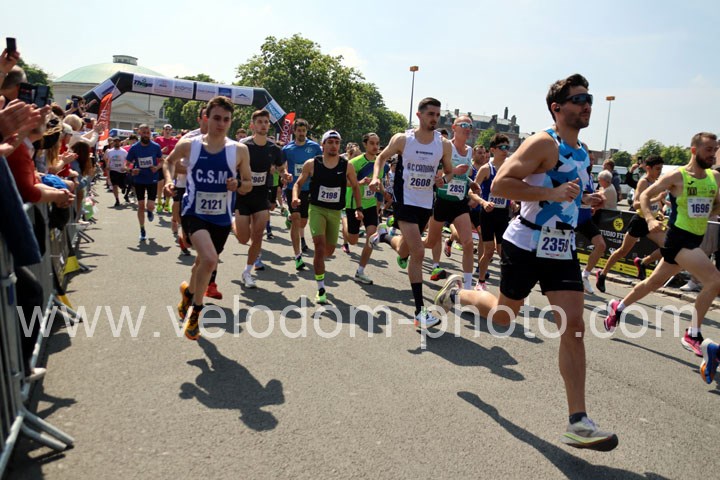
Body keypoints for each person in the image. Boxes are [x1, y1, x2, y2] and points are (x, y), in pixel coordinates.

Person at [434, 74, 617, 451]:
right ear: (557, 108)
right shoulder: (543, 143)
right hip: (527, 242)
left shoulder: (582, 152)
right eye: (579, 99)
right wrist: (551, 191)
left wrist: (586, 199)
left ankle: (578, 421)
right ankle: (458, 295)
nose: (587, 104)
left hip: (562, 247)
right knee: (503, 316)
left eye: (589, 98)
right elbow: (502, 184)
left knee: (574, 326)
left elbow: (564, 195)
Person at [604, 133, 720, 357]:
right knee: (715, 280)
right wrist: (649, 219)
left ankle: (618, 307)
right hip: (679, 240)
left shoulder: (714, 177)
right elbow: (645, 196)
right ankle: (692, 334)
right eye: (708, 150)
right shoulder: (677, 176)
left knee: (653, 283)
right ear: (694, 150)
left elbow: (717, 205)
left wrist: (707, 212)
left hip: (695, 239)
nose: (713, 154)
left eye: (715, 150)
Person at [162, 96, 252, 340]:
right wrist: (169, 181)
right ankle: (195, 313)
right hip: (194, 212)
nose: (221, 124)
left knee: (202, 262)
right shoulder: (190, 145)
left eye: (226, 119)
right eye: (216, 118)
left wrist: (237, 184)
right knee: (211, 260)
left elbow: (248, 184)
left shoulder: (239, 150)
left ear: (231, 121)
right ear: (206, 118)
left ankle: (188, 293)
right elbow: (168, 162)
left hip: (221, 217)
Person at [369, 97, 453, 329]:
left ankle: (384, 236)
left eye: (437, 115)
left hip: (425, 203)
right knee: (418, 251)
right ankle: (419, 312)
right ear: (419, 115)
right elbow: (381, 157)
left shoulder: (443, 144)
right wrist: (376, 178)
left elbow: (449, 171)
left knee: (405, 250)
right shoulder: (403, 139)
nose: (435, 119)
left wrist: (443, 180)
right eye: (431, 114)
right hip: (404, 200)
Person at [292, 130, 362, 304]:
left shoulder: (346, 166)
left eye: (337, 142)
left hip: (335, 212)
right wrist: (295, 197)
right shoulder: (312, 164)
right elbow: (298, 184)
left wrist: (358, 208)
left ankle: (318, 262)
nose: (334, 146)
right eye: (330, 142)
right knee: (319, 246)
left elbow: (355, 186)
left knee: (328, 251)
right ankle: (321, 288)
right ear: (323, 145)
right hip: (317, 209)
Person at [596, 155, 666, 290]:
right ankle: (603, 274)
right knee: (623, 251)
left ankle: (643, 262)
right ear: (648, 168)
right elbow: (636, 204)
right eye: (657, 169)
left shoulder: (658, 182)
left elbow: (658, 203)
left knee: (667, 247)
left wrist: (660, 211)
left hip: (652, 221)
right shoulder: (643, 182)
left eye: (661, 169)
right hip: (640, 220)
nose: (659, 171)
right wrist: (656, 199)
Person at [235, 109, 287, 287]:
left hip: (261, 196)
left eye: (266, 122)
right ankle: (232, 222)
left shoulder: (274, 149)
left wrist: (285, 175)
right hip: (243, 195)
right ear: (252, 125)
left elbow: (281, 167)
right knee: (243, 239)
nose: (263, 125)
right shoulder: (243, 146)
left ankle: (247, 271)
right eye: (260, 122)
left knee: (258, 235)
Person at [423, 116, 475, 289]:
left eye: (470, 126)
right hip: (442, 200)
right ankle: (407, 243)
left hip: (459, 203)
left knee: (468, 242)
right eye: (464, 125)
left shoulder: (470, 151)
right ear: (454, 127)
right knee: (430, 241)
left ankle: (467, 287)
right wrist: (454, 171)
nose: (467, 128)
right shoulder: (446, 148)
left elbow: (463, 175)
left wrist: (471, 183)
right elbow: (438, 177)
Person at [340, 132, 383, 284]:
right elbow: (343, 182)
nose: (375, 146)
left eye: (377, 143)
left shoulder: (379, 163)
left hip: (370, 204)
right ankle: (344, 219)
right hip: (354, 203)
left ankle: (360, 271)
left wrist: (383, 192)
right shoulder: (355, 163)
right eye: (372, 143)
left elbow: (379, 181)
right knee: (352, 240)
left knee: (371, 237)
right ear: (365, 144)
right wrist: (360, 183)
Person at [474, 133, 513, 291]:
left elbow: (513, 189)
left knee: (503, 252)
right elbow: (471, 192)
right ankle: (481, 281)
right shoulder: (486, 169)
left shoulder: (510, 168)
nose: (505, 150)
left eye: (507, 147)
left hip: (503, 214)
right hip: (488, 214)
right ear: (493, 150)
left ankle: (506, 284)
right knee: (489, 251)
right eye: (501, 147)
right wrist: (483, 202)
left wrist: (514, 202)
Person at [282, 119, 323, 270]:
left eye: (304, 131)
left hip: (308, 188)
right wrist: (285, 173)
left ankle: (289, 218)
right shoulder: (287, 148)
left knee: (303, 222)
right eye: (299, 130)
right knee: (296, 219)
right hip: (293, 188)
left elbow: (321, 164)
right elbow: (282, 166)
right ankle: (297, 256)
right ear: (294, 131)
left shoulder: (314, 147)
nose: (301, 133)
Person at [126, 124, 163, 241]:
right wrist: (132, 170)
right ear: (139, 133)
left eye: (148, 133)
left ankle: (150, 211)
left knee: (150, 205)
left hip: (152, 178)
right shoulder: (134, 148)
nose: (146, 135)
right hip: (139, 179)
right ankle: (142, 229)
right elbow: (126, 164)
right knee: (141, 206)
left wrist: (157, 167)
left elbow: (162, 161)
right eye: (144, 133)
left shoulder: (156, 146)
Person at [155, 123, 178, 213]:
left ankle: (167, 204)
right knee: (160, 184)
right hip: (161, 164)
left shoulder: (175, 141)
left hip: (170, 165)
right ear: (163, 130)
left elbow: (177, 153)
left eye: (169, 130)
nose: (167, 131)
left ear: (172, 131)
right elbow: (154, 153)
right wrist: (161, 151)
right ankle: (159, 203)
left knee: (169, 184)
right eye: (166, 129)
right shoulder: (158, 139)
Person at [103, 137, 128, 207]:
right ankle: (117, 200)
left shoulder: (124, 151)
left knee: (122, 185)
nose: (117, 143)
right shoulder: (110, 151)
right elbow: (106, 159)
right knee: (114, 185)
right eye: (115, 141)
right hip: (113, 170)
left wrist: (125, 167)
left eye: (118, 141)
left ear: (120, 142)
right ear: (113, 143)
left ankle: (123, 188)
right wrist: (107, 166)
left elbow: (128, 160)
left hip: (121, 171)